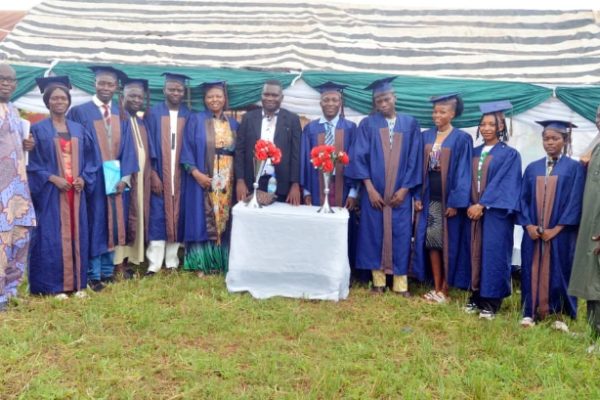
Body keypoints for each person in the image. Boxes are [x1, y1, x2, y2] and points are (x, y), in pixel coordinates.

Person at [345, 76, 423, 296]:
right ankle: (378, 283)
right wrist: (369, 189)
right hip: (375, 194)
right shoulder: (367, 124)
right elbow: (359, 157)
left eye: (386, 98)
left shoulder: (410, 123)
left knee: (401, 234)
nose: (382, 103)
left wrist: (405, 189)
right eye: (378, 100)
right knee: (373, 235)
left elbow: (414, 159)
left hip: (401, 193)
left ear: (394, 97)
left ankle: (400, 286)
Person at [67, 66, 138, 292]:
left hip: (115, 181)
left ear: (116, 86)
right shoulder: (79, 112)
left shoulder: (121, 113)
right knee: (95, 224)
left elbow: (129, 149)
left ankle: (107, 272)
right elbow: (74, 146)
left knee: (113, 225)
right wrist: (85, 175)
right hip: (92, 180)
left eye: (110, 84)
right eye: (102, 83)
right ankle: (92, 274)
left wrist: (125, 179)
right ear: (94, 83)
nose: (106, 87)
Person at [27, 76, 98, 298]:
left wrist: (84, 178)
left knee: (77, 234)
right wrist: (50, 177)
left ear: (68, 101)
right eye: (54, 98)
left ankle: (77, 284)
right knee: (51, 237)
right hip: (51, 195)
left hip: (75, 194)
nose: (59, 101)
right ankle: (53, 286)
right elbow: (30, 164)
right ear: (47, 102)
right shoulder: (37, 130)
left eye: (63, 98)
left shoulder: (78, 128)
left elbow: (91, 160)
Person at [518, 120, 584, 330]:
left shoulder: (574, 168)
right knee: (530, 267)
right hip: (534, 232)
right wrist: (528, 225)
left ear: (565, 140)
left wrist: (556, 229)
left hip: (561, 232)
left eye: (555, 138)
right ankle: (530, 312)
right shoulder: (532, 167)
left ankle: (559, 315)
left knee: (560, 270)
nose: (550, 143)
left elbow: (575, 201)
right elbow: (522, 199)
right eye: (546, 139)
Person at [412, 93, 473, 303]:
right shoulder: (425, 136)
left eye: (442, 111)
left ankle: (446, 289)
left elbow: (464, 173)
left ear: (453, 114)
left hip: (448, 201)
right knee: (432, 242)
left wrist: (457, 202)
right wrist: (416, 195)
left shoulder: (462, 139)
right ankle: (437, 286)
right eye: (435, 111)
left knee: (449, 243)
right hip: (430, 199)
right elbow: (417, 167)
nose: (437, 114)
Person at [465, 100, 522, 319]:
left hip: (496, 213)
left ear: (501, 127)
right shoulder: (474, 151)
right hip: (473, 211)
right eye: (483, 124)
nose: (487, 128)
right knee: (474, 252)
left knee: (494, 254)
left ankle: (491, 303)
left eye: (491, 124)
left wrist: (483, 203)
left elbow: (505, 183)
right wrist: (470, 203)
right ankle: (475, 296)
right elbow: (464, 179)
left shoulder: (510, 154)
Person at [300, 81, 359, 272]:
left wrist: (353, 193)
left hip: (342, 184)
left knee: (341, 225)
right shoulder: (311, 128)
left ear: (340, 103)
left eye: (335, 100)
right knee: (318, 225)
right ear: (320, 103)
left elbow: (356, 161)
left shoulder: (350, 128)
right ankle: (317, 265)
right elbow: (305, 159)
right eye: (326, 100)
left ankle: (340, 267)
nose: (330, 103)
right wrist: (306, 190)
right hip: (317, 185)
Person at [181, 81, 239, 276]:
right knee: (201, 217)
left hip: (227, 177)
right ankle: (200, 264)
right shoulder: (195, 120)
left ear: (225, 99)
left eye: (218, 96)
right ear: (204, 100)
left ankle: (219, 263)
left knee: (223, 216)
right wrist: (196, 173)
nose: (215, 100)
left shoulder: (233, 123)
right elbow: (186, 149)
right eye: (210, 96)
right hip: (204, 174)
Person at [145, 72, 192, 275]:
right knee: (157, 216)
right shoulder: (153, 113)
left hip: (180, 175)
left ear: (184, 92)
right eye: (171, 89)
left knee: (177, 216)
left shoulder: (189, 115)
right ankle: (154, 263)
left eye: (179, 89)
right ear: (164, 90)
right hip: (160, 172)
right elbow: (146, 146)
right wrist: (153, 174)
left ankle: (172, 261)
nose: (175, 92)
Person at [0, 64, 36, 311]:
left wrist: (27, 144)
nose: (7, 84)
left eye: (11, 80)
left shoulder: (13, 110)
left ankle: (11, 290)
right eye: (2, 79)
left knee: (19, 239)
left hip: (19, 189)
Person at [235, 79, 302, 205]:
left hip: (281, 184)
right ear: (261, 96)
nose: (270, 98)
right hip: (251, 183)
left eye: (274, 95)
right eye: (266, 94)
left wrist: (295, 184)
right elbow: (240, 151)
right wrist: (240, 180)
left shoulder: (292, 120)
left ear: (281, 98)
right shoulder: (248, 118)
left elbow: (296, 154)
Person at [113, 78, 151, 279]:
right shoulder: (118, 119)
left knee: (135, 219)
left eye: (140, 97)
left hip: (141, 180)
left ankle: (128, 261)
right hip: (124, 180)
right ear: (123, 97)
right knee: (122, 220)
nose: (137, 100)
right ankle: (117, 264)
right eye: (132, 96)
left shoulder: (140, 121)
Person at [569, 105, 600, 339]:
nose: (599, 120)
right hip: (591, 222)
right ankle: (592, 332)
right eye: (598, 115)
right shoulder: (596, 145)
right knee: (591, 278)